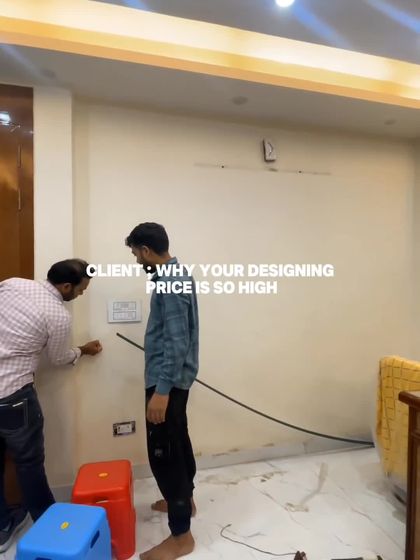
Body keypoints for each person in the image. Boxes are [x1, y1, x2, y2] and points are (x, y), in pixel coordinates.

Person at [0, 259, 102, 552]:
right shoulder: (57, 315)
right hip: (13, 396)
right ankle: (51, 529)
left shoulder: (13, 284)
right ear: (67, 286)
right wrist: (82, 350)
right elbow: (58, 358)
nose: (81, 294)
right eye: (81, 289)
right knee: (29, 465)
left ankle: (2, 528)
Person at [126, 223, 199, 560]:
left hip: (165, 382)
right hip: (172, 380)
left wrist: (162, 390)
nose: (136, 260)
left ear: (145, 250)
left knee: (165, 454)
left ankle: (181, 536)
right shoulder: (175, 275)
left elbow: (177, 341)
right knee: (177, 441)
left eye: (135, 253)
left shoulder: (170, 281)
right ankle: (184, 501)